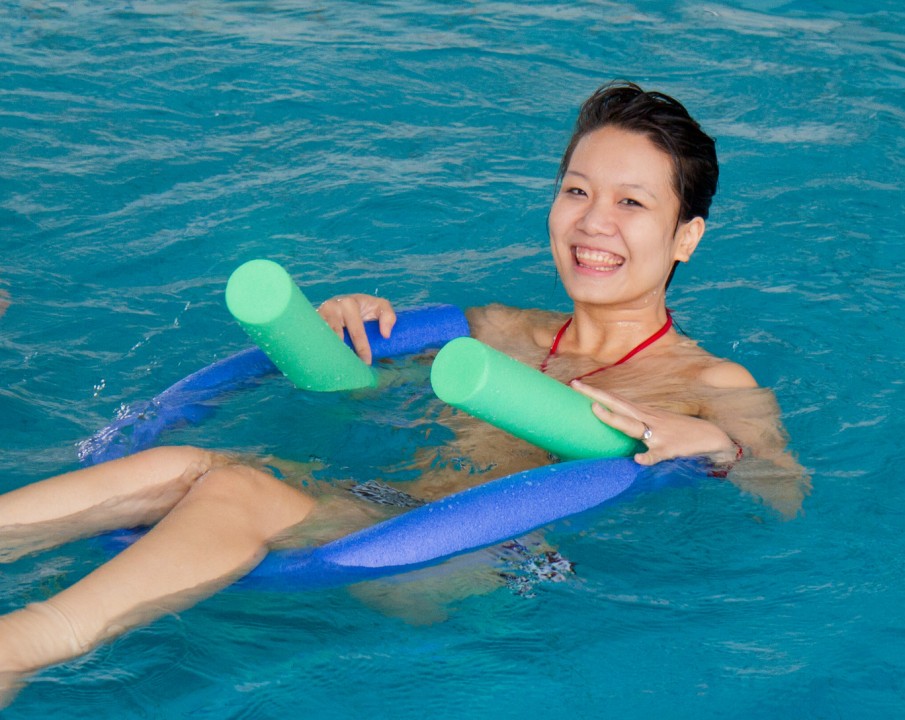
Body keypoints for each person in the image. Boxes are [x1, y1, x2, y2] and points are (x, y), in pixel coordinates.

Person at [0, 81, 809, 703]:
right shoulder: (499, 330)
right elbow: (355, 388)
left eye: (632, 203)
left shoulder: (710, 381)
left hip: (501, 570)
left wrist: (718, 445)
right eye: (576, 190)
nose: (594, 221)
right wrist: (344, 326)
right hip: (391, 517)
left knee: (240, 488)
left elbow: (787, 494)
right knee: (178, 464)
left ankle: (18, 651)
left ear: (686, 236)